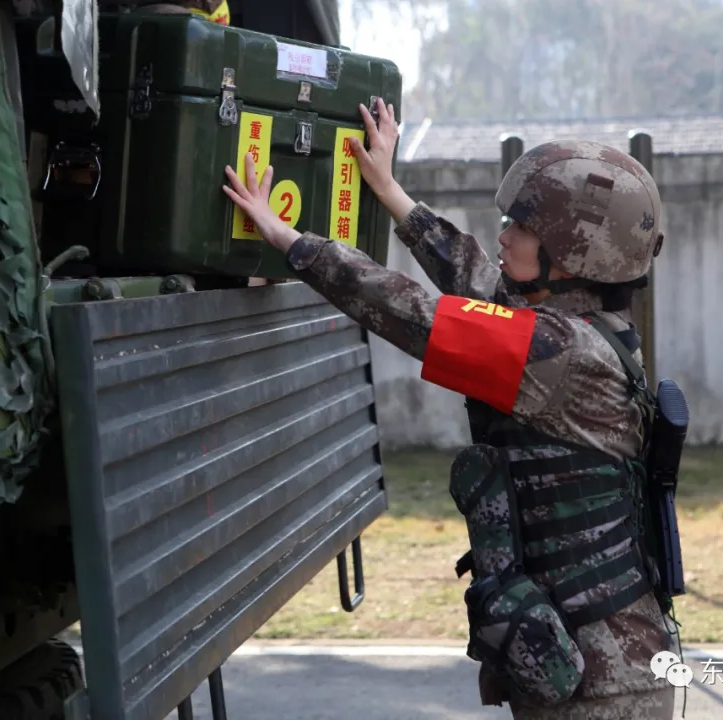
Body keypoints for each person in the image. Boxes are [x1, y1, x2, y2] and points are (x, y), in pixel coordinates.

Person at [222, 99, 678, 719]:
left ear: (571, 254)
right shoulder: (581, 329)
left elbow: (419, 316)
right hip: (593, 659)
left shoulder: (561, 351)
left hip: (605, 682)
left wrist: (289, 240)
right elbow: (481, 284)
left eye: (521, 226)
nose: (504, 234)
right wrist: (388, 189)